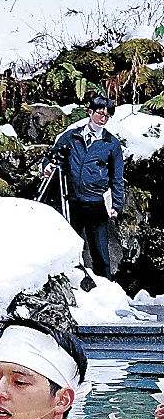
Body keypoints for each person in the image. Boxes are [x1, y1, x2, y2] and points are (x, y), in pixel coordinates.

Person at [43, 93, 124, 281]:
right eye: (100, 114)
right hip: (72, 201)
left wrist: (116, 206)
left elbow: (117, 177)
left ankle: (106, 293)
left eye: (107, 116)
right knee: (68, 248)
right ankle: (70, 287)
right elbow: (52, 155)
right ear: (90, 112)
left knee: (100, 253)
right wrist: (46, 166)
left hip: (96, 203)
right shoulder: (72, 137)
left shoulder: (111, 144)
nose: (103, 119)